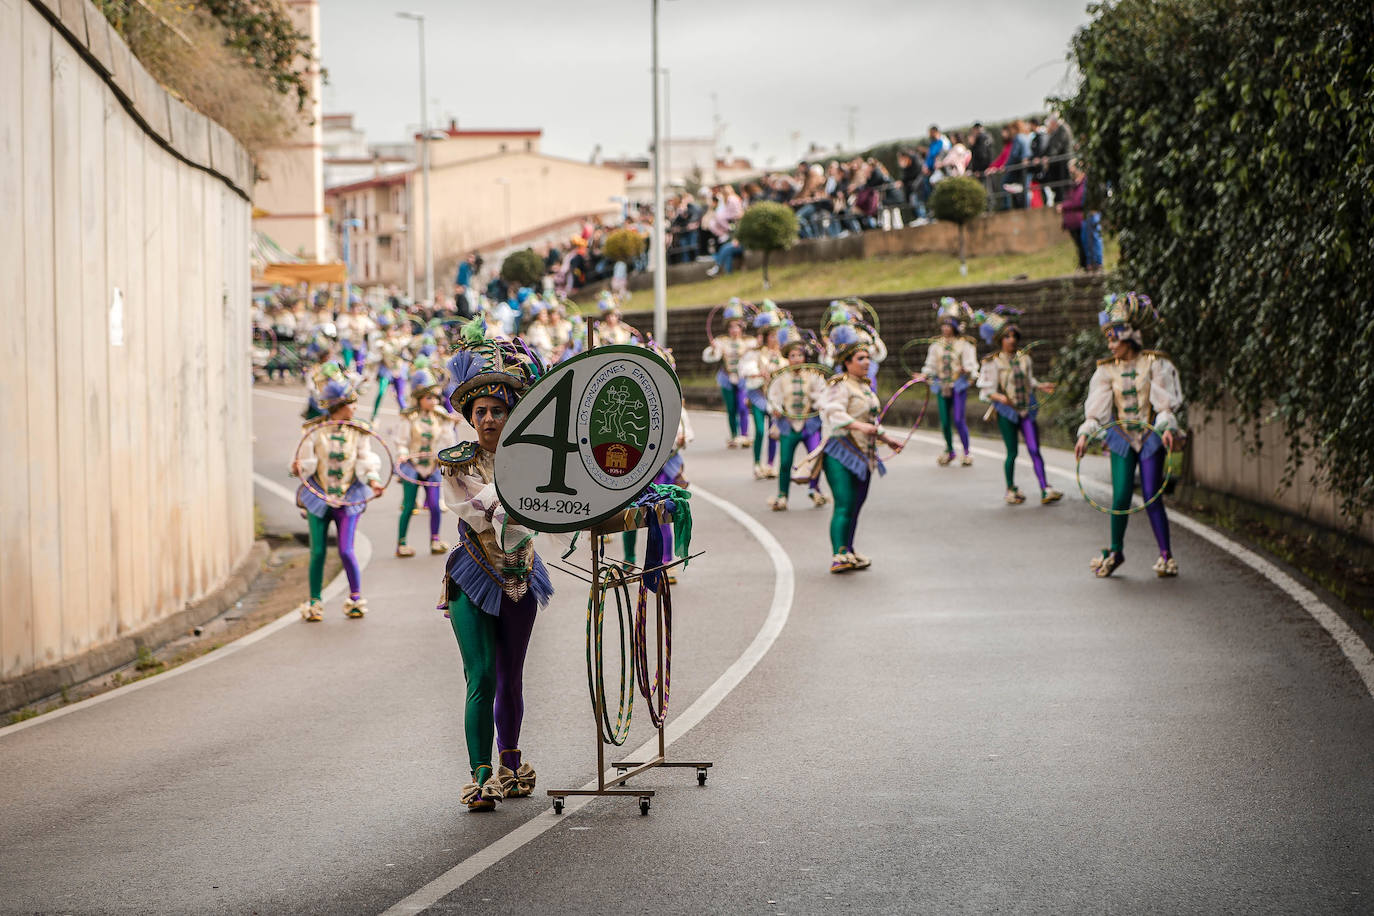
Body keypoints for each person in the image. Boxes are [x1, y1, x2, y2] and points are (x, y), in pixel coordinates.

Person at [438, 321, 553, 811]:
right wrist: (517, 491)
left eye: (498, 410)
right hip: (472, 573)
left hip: (522, 569)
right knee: (481, 675)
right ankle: (480, 774)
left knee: (512, 674)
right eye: (480, 411)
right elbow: (481, 508)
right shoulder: (457, 462)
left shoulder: (534, 458)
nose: (488, 418)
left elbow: (548, 505)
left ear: (511, 415)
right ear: (470, 418)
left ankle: (510, 762)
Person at [1074, 293, 1184, 578]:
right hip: (1122, 437)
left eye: (1115, 340)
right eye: (1108, 340)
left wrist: (1168, 427)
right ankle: (1115, 551)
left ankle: (1166, 555)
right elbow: (1096, 410)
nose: (1111, 346)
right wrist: (1085, 435)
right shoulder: (1106, 370)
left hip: (1149, 438)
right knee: (1121, 496)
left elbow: (1164, 404)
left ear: (1130, 338)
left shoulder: (1155, 364)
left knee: (1151, 494)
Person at [289, 367, 385, 621]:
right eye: (351, 403)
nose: (354, 408)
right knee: (318, 551)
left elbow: (365, 459)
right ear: (339, 406)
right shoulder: (313, 431)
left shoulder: (358, 431)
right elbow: (306, 462)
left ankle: (355, 598)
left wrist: (374, 480)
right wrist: (298, 466)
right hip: (318, 495)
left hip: (349, 494)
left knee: (346, 550)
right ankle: (314, 602)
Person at [820, 326, 906, 574]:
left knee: (856, 504)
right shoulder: (839, 386)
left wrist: (887, 439)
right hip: (840, 452)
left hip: (865, 454)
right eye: (861, 358)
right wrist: (860, 427)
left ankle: (849, 548)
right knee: (844, 503)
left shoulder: (866, 387)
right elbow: (833, 414)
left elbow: (872, 422)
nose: (867, 362)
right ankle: (838, 555)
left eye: (868, 357)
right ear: (846, 363)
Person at [976, 309, 1062, 506]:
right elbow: (986, 391)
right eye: (1007, 336)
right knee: (1012, 452)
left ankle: (1044, 487)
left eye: (1014, 336)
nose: (1012, 340)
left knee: (1034, 448)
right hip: (1007, 411)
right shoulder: (993, 362)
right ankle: (1010, 488)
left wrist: (1040, 385)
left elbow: (1028, 380)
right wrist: (1001, 398)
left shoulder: (1025, 358)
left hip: (1026, 407)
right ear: (1000, 339)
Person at [392, 363, 458, 558]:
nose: (433, 401)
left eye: (436, 397)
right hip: (412, 466)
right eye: (429, 397)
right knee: (410, 505)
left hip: (432, 465)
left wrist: (443, 456)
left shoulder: (441, 417)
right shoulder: (409, 418)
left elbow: (448, 440)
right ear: (419, 399)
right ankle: (401, 543)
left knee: (435, 505)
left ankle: (435, 540)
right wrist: (403, 454)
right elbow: (401, 441)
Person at [767, 324, 827, 511]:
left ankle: (814, 490)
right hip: (788, 424)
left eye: (799, 355)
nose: (796, 359)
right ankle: (782, 495)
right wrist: (775, 409)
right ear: (788, 358)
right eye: (792, 356)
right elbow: (773, 397)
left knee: (814, 458)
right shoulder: (780, 378)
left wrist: (819, 404)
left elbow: (822, 395)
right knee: (785, 462)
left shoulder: (815, 376)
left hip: (810, 423)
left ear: (805, 356)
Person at [914, 298, 979, 467]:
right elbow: (931, 365)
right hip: (941, 385)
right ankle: (949, 449)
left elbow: (971, 364)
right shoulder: (936, 346)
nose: (945, 328)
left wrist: (967, 370)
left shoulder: (965, 345)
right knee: (944, 420)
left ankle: (966, 452)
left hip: (958, 385)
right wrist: (923, 375)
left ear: (955, 326)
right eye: (943, 325)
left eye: (948, 325)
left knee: (958, 418)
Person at [701, 300, 756, 447]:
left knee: (743, 406)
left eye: (737, 326)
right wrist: (713, 349)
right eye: (731, 327)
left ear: (742, 327)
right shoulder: (721, 341)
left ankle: (744, 435)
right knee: (731, 408)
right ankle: (733, 435)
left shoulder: (750, 342)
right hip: (727, 377)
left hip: (743, 378)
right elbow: (713, 356)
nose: (734, 330)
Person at [739, 307, 786, 479]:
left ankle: (771, 465)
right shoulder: (756, 353)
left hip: (775, 398)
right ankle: (757, 464)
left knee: (773, 431)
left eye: (777, 335)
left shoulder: (783, 356)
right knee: (759, 430)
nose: (775, 339)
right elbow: (746, 369)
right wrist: (759, 374)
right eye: (772, 335)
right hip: (758, 395)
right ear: (766, 337)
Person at [1058, 160, 1090, 271]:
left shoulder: (1083, 184)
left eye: (1072, 168)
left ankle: (1085, 265)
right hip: (1071, 221)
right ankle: (1082, 264)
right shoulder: (1073, 184)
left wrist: (1064, 206)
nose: (1070, 171)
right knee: (1079, 245)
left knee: (1083, 244)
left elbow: (1078, 201)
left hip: (1079, 220)